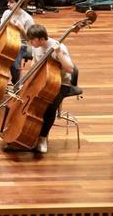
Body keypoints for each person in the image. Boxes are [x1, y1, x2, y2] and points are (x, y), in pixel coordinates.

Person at [11, 23, 78, 154]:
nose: (30, 43)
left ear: (42, 39)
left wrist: (58, 53)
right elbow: (34, 65)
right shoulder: (36, 47)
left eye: (32, 40)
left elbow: (70, 69)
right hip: (43, 80)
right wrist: (26, 82)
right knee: (26, 101)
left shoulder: (59, 48)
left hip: (60, 83)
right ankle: (22, 132)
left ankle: (42, 138)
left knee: (49, 107)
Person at [0, 0, 35, 84]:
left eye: (11, 2)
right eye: (8, 2)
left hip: (20, 44)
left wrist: (22, 29)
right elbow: (0, 29)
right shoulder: (6, 13)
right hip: (5, 41)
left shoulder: (28, 19)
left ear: (20, 4)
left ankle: (17, 83)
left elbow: (30, 39)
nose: (8, 4)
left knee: (14, 64)